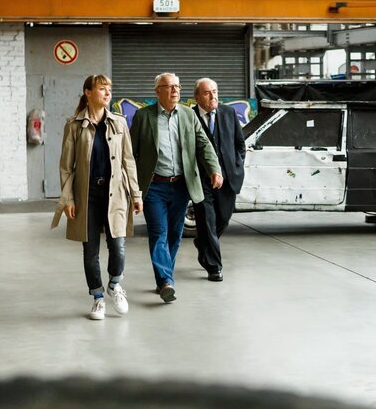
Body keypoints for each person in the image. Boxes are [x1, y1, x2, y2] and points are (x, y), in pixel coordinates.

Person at [51, 74, 143, 321]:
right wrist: (68, 199)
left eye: (109, 89)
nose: (107, 93)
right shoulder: (74, 126)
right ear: (88, 92)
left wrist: (136, 193)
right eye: (102, 88)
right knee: (90, 251)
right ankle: (98, 298)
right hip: (87, 195)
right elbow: (65, 167)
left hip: (116, 194)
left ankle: (115, 284)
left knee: (118, 246)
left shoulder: (119, 123)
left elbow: (128, 161)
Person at [130, 72, 222, 303]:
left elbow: (203, 144)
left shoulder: (188, 115)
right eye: (169, 86)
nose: (175, 90)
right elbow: (131, 153)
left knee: (175, 234)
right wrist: (131, 187)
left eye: (178, 87)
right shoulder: (143, 117)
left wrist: (214, 169)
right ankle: (165, 281)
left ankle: (164, 277)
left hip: (181, 185)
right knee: (159, 232)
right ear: (157, 91)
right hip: (154, 187)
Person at [191, 78, 246, 282]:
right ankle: (214, 267)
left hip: (228, 178)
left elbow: (240, 144)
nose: (213, 96)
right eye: (207, 93)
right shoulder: (190, 116)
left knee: (222, 219)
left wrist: (237, 167)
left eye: (215, 91)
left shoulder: (229, 113)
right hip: (201, 179)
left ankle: (202, 242)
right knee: (207, 220)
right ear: (197, 97)